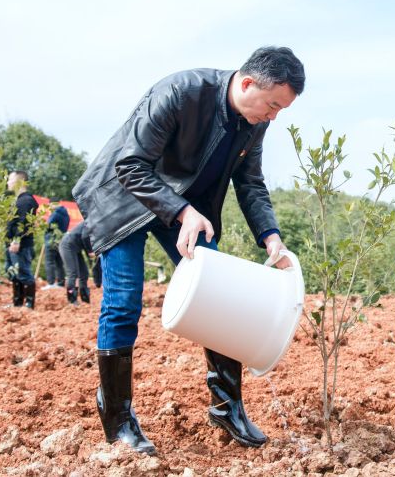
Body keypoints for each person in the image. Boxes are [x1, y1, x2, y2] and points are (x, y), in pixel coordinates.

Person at [73, 46, 305, 455]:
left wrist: (271, 235)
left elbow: (250, 183)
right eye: (272, 105)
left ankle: (227, 406)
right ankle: (117, 414)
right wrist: (181, 211)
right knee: (124, 302)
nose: (273, 116)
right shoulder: (181, 92)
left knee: (224, 296)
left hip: (187, 211)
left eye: (280, 110)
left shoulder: (255, 122)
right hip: (125, 201)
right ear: (248, 83)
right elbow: (130, 165)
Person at [5, 170, 39, 309]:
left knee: (23, 273)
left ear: (20, 181)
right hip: (11, 244)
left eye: (10, 179)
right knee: (14, 273)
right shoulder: (19, 200)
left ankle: (29, 304)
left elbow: (24, 222)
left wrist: (16, 240)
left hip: (20, 245)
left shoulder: (26, 201)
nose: (7, 182)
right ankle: (17, 303)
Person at [59, 222, 94, 305]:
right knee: (73, 273)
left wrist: (89, 255)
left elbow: (86, 240)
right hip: (67, 245)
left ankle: (85, 298)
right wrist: (89, 251)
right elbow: (85, 237)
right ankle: (72, 300)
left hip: (76, 247)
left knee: (84, 273)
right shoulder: (90, 221)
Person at [44, 198, 70, 288]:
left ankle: (51, 283)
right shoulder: (66, 214)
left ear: (52, 204)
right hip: (61, 239)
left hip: (51, 240)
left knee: (49, 261)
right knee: (59, 262)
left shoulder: (56, 213)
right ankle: (61, 282)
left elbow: (47, 226)